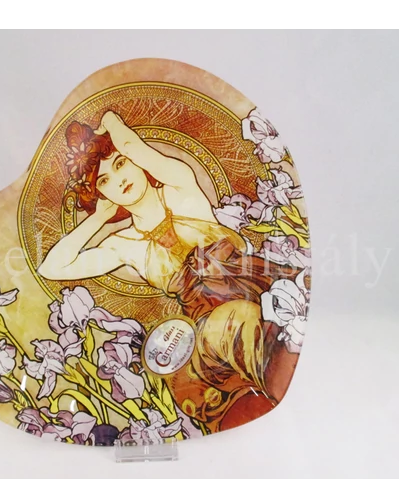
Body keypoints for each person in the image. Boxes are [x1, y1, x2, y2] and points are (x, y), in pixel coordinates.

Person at [38, 111, 299, 432]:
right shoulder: (123, 244)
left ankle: (280, 400)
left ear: (136, 161)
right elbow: (52, 267)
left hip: (252, 286)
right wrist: (97, 219)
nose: (119, 180)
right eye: (104, 181)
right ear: (101, 195)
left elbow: (133, 146)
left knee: (244, 319)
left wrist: (112, 122)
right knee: (195, 373)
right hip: (203, 325)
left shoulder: (180, 187)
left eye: (120, 164)